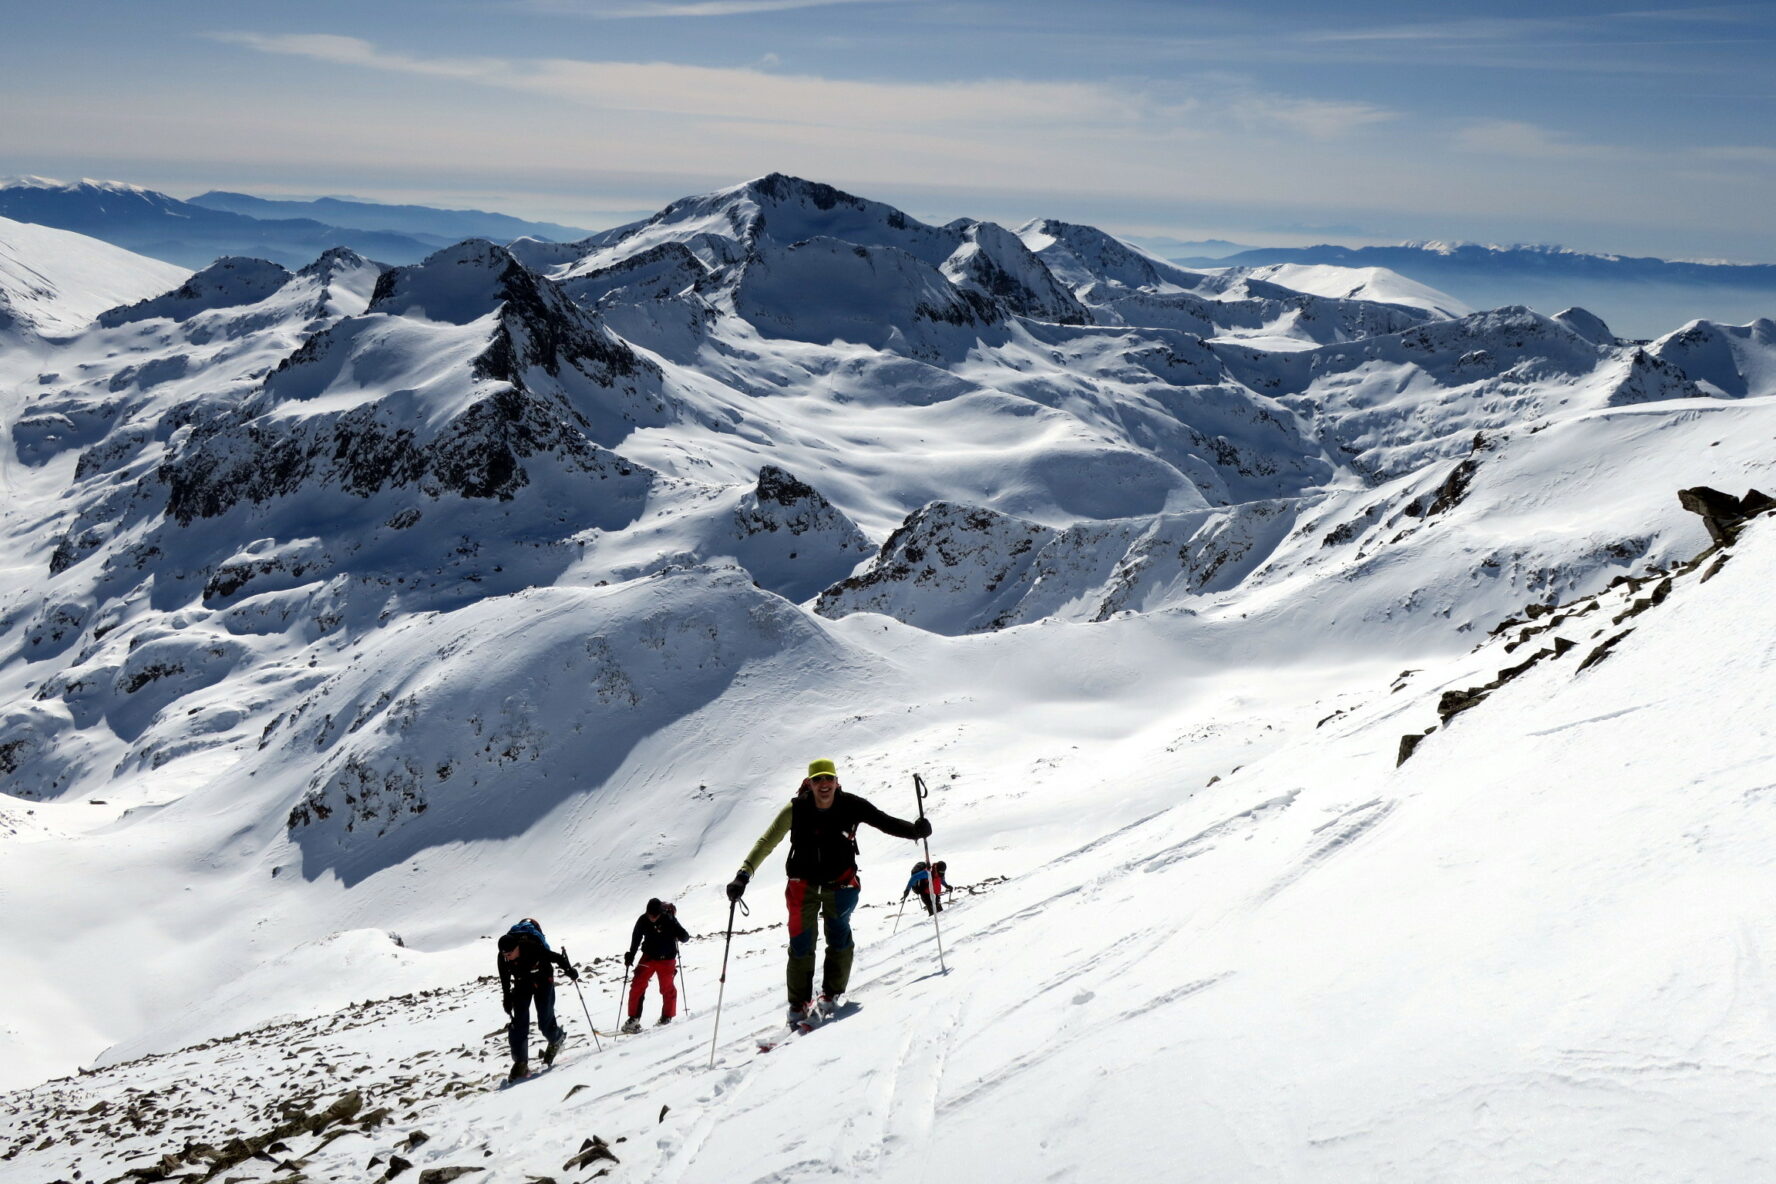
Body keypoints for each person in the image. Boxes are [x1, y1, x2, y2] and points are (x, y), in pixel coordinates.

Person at [727, 758, 931, 1027]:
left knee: (838, 937)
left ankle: (831, 993)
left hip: (841, 884)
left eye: (828, 778)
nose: (824, 784)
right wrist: (743, 874)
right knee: (801, 943)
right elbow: (767, 842)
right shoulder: (796, 809)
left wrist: (914, 831)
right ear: (810, 784)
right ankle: (798, 1003)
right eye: (818, 779)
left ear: (836, 781)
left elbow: (884, 822)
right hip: (802, 886)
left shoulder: (852, 805)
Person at [497, 918, 578, 1082]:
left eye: (510, 954)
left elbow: (556, 958)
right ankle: (520, 1063)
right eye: (504, 955)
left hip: (543, 979)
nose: (507, 958)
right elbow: (504, 978)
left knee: (545, 1020)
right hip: (522, 982)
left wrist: (569, 970)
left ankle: (556, 1038)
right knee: (519, 1022)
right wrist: (507, 997)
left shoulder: (532, 948)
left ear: (517, 947)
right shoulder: (503, 957)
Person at [624, 898, 690, 1033]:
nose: (653, 918)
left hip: (667, 959)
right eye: (650, 915)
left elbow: (685, 937)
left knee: (667, 988)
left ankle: (666, 1017)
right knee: (637, 985)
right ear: (647, 912)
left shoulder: (669, 919)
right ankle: (633, 1019)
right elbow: (636, 938)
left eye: (655, 915)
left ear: (660, 913)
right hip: (648, 956)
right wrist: (631, 954)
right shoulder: (643, 920)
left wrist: (679, 932)